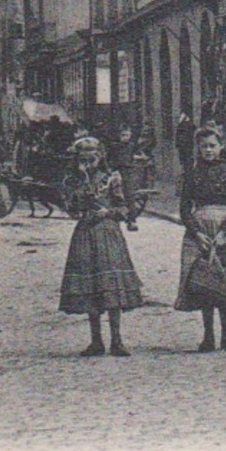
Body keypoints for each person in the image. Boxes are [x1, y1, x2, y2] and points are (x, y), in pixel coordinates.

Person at [58, 134, 142, 357]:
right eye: (83, 157)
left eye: (92, 155)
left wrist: (109, 212)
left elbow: (124, 208)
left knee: (111, 283)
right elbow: (71, 209)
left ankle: (117, 340)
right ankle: (96, 341)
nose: (88, 160)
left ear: (100, 155)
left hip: (108, 231)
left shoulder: (112, 177)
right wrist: (83, 182)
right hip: (85, 233)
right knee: (90, 287)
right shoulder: (71, 180)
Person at [174, 126, 226, 353]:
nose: (208, 150)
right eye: (203, 146)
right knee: (203, 282)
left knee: (225, 279)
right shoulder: (192, 174)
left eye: (212, 145)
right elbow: (185, 207)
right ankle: (208, 336)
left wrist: (224, 232)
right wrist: (196, 232)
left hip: (224, 229)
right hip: (200, 230)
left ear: (221, 147)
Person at [107, 123, 142, 231]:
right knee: (113, 194)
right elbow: (108, 159)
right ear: (119, 135)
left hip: (128, 171)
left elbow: (134, 156)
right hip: (116, 171)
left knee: (130, 195)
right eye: (123, 135)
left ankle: (132, 220)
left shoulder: (131, 146)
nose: (125, 137)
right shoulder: (114, 146)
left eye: (127, 135)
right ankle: (114, 217)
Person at [174, 112, 196, 178]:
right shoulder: (189, 125)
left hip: (185, 146)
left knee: (185, 160)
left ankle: (187, 172)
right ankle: (187, 171)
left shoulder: (182, 125)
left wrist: (178, 144)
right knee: (186, 159)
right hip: (186, 146)